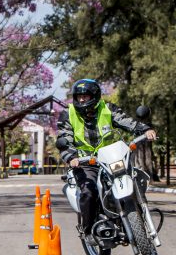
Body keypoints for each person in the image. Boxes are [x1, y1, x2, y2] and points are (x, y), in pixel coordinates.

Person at [55, 79, 156, 245]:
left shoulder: (107, 109)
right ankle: (87, 231)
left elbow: (126, 121)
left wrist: (146, 129)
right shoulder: (68, 113)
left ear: (94, 96)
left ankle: (134, 215)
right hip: (85, 162)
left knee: (131, 177)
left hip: (110, 159)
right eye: (79, 96)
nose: (81, 100)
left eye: (85, 96)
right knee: (89, 192)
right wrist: (72, 158)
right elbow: (64, 138)